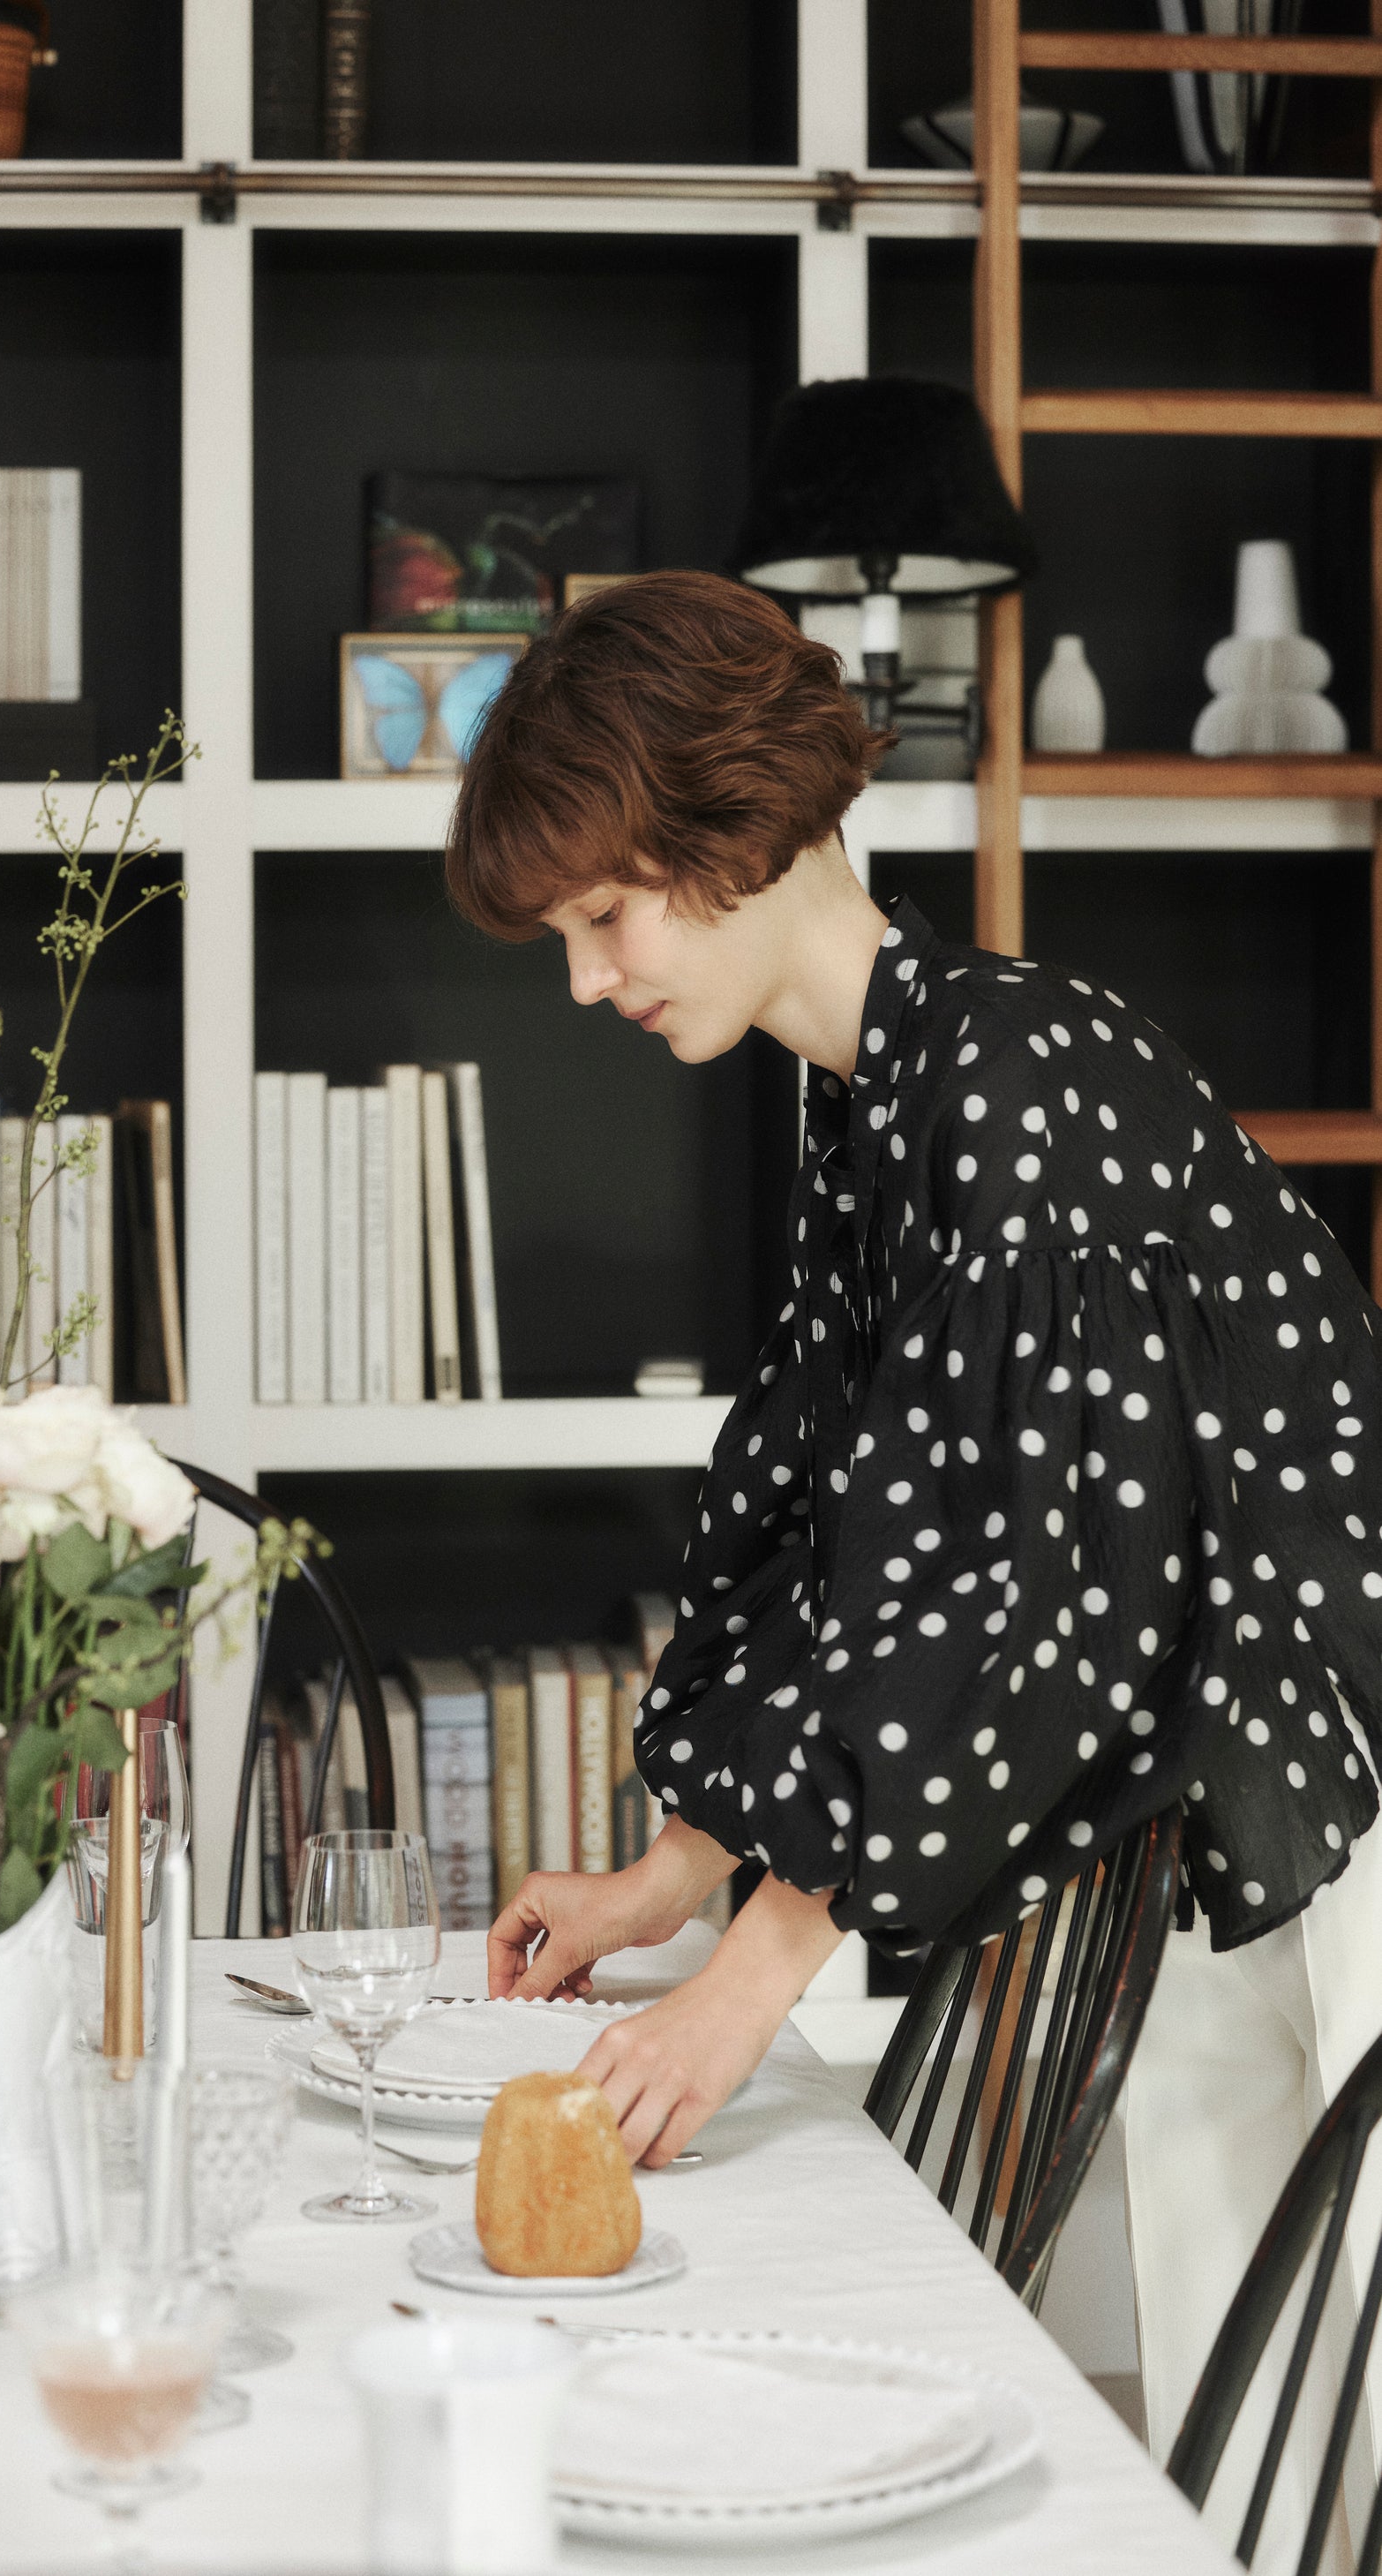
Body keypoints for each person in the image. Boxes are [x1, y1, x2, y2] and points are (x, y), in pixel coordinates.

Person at [444, 566, 1382, 2555]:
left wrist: (745, 1987)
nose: (588, 981)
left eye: (603, 916)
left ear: (731, 831)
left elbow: (1010, 1593)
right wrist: (671, 1876)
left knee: (1325, 2435)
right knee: (1242, 2466)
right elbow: (843, 1536)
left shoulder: (1009, 1082)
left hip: (1334, 1787)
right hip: (1203, 1785)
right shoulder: (877, 1093)